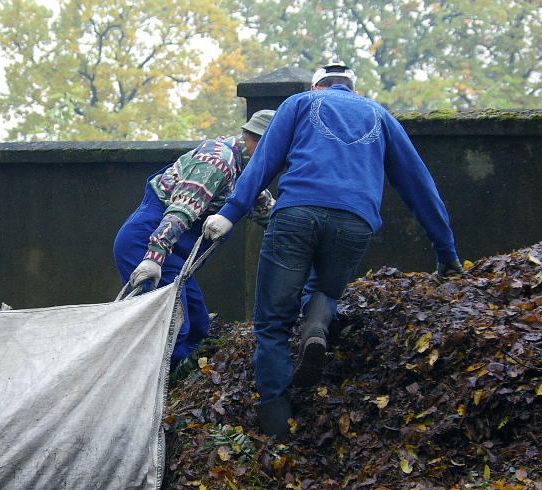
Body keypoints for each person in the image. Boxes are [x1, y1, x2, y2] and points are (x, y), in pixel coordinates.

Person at [202, 62, 464, 439]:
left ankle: (277, 429)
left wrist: (231, 211)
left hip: (296, 216)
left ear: (317, 86)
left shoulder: (299, 103)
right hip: (354, 223)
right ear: (352, 90)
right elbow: (418, 183)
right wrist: (446, 250)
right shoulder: (381, 115)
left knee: (272, 323)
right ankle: (315, 327)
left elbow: (265, 160)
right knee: (324, 289)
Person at [114, 110, 277, 368]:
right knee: (172, 329)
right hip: (148, 243)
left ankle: (180, 388)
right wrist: (153, 258)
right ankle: (159, 397)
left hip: (175, 255)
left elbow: (270, 214)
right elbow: (180, 212)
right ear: (262, 141)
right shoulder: (216, 161)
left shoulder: (248, 172)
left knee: (198, 325)